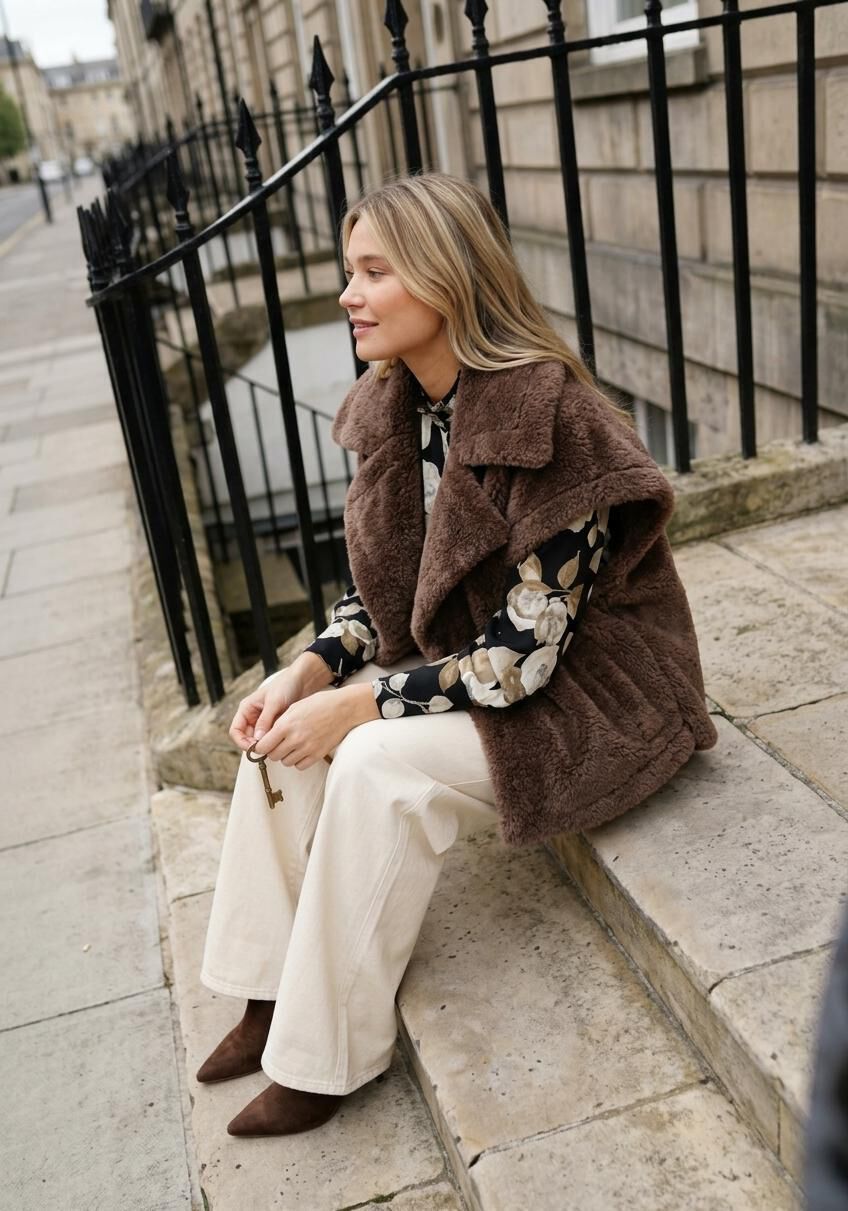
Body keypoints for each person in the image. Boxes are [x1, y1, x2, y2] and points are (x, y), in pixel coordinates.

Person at [196, 172, 718, 1138]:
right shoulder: (397, 407)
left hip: (596, 694)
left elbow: (522, 657)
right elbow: (383, 592)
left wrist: (358, 704)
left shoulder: (555, 419)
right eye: (349, 270)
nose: (348, 294)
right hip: (475, 663)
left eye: (373, 271)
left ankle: (322, 1057)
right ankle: (266, 990)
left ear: (444, 275)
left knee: (370, 758)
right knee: (282, 728)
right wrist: (310, 668)